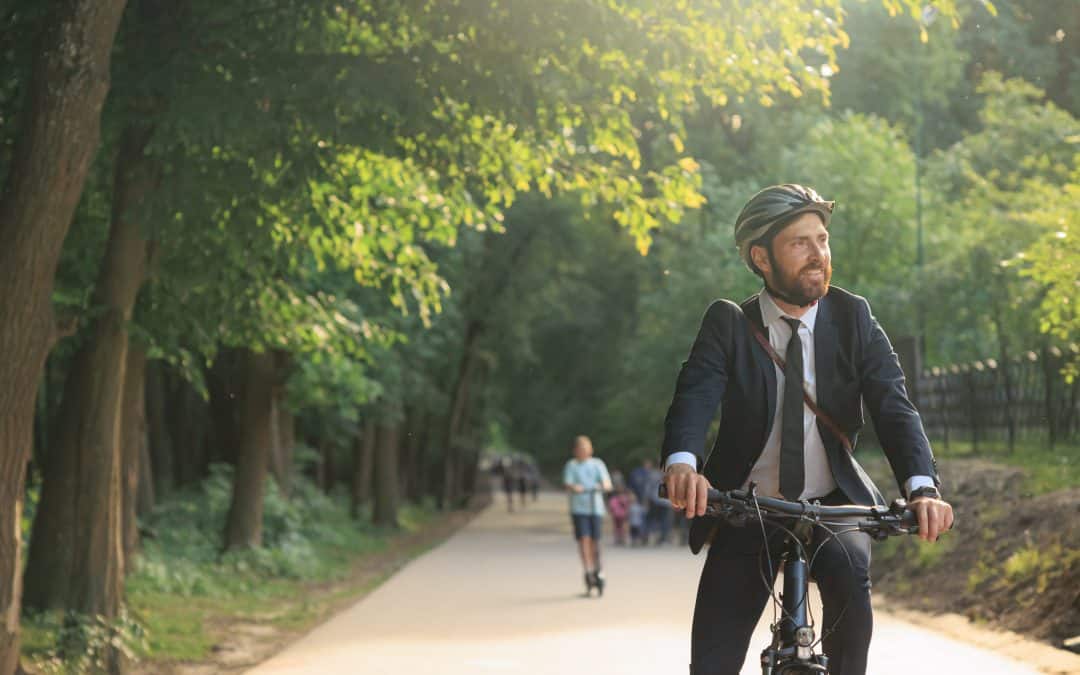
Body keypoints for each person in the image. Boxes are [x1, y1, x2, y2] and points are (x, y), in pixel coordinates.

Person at [660, 184, 955, 675]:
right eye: (800, 243)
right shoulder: (728, 324)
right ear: (761, 257)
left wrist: (922, 488)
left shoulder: (853, 316)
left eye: (822, 239)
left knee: (850, 597)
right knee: (712, 658)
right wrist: (683, 466)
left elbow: (893, 405)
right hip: (746, 506)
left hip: (833, 504)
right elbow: (693, 398)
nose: (818, 254)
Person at [562, 435, 612, 592]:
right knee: (584, 539)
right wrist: (574, 487)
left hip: (595, 507)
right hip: (579, 508)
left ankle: (599, 569)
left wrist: (603, 485)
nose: (583, 452)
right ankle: (588, 570)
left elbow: (607, 483)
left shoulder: (597, 464)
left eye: (586, 448)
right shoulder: (572, 465)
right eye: (580, 449)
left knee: (596, 541)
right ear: (575, 451)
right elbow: (568, 483)